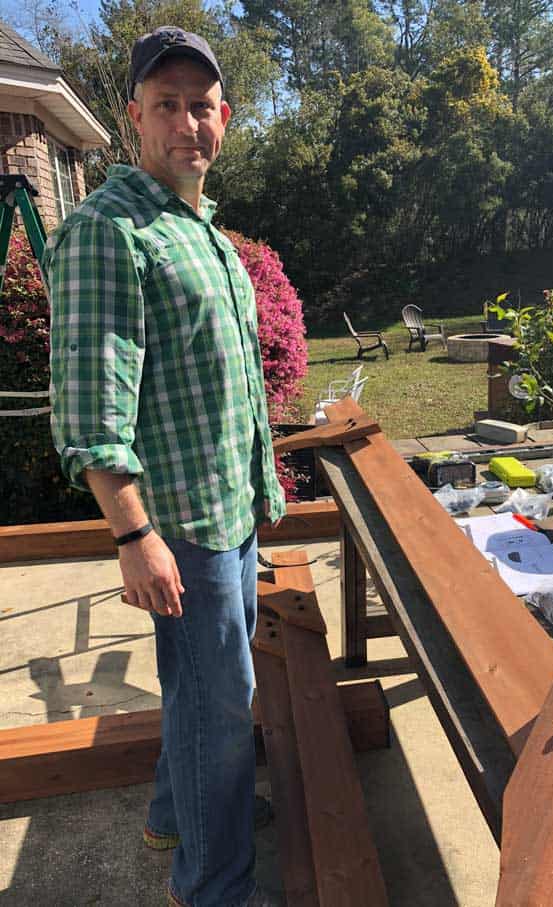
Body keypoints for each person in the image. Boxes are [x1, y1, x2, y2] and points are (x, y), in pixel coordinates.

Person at [45, 26, 286, 907]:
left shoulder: (201, 232)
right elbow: (92, 410)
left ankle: (173, 816)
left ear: (224, 117)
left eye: (202, 105)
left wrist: (260, 494)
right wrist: (134, 534)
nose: (188, 122)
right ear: (133, 118)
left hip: (226, 511)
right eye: (167, 105)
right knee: (221, 710)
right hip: (179, 526)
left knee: (204, 694)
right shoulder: (109, 233)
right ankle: (213, 884)